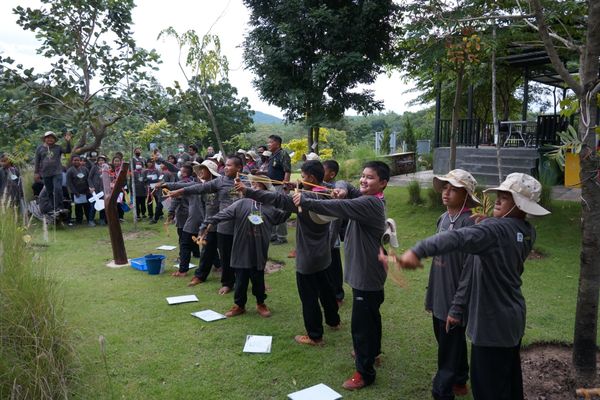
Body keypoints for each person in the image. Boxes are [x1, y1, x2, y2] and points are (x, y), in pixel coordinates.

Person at [395, 173, 550, 400]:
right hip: (512, 318)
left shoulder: (494, 232)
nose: (498, 199)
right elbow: (500, 236)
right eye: (500, 194)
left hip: (491, 324)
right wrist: (488, 223)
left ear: (520, 205)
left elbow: (456, 238)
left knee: (487, 389)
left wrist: (417, 251)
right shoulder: (526, 231)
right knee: (508, 381)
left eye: (506, 197)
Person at [292, 161, 390, 391]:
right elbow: (343, 185)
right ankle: (372, 352)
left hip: (366, 274)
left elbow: (337, 207)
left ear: (383, 183)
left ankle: (364, 372)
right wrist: (344, 187)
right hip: (369, 272)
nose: (364, 180)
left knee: (362, 324)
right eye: (363, 176)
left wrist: (304, 200)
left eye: (371, 178)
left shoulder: (369, 203)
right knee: (371, 316)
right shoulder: (369, 197)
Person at [240, 160, 341, 345]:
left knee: (309, 296)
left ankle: (315, 335)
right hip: (323, 254)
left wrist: (247, 190)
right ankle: (334, 321)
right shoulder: (328, 195)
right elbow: (316, 189)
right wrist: (297, 186)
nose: (301, 179)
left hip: (308, 257)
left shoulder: (303, 201)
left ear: (311, 177)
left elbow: (275, 199)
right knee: (326, 289)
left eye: (303, 176)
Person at [426, 169, 481, 400]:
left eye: (453, 189)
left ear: (466, 195)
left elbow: (470, 270)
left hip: (456, 297)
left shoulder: (472, 224)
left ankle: (443, 391)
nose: (446, 193)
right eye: (445, 188)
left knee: (448, 347)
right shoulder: (443, 218)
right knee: (446, 338)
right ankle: (460, 379)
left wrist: (458, 305)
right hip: (439, 291)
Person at [206, 175, 291, 318]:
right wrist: (211, 221)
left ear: (265, 188)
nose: (254, 187)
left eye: (258, 185)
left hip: (259, 248)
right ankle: (239, 305)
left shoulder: (270, 207)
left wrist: (289, 199)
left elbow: (282, 216)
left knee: (258, 277)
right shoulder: (241, 203)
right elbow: (224, 213)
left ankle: (260, 303)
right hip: (241, 246)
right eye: (252, 184)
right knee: (240, 279)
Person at [167, 155, 243, 295]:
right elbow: (198, 188)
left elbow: (260, 195)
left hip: (241, 225)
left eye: (230, 165)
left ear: (239, 167)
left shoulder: (246, 182)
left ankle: (249, 281)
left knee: (241, 255)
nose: (226, 167)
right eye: (225, 165)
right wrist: (178, 191)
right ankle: (225, 282)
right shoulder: (220, 182)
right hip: (222, 224)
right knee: (221, 254)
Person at [188, 160, 222, 286]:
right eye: (200, 169)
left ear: (211, 172)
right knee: (207, 251)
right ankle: (200, 276)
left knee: (226, 251)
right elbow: (205, 208)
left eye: (204, 169)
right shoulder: (203, 188)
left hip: (223, 224)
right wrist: (203, 225)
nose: (201, 172)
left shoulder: (220, 186)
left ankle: (229, 279)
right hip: (209, 224)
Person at [165, 164, 202, 277]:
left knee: (184, 240)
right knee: (197, 239)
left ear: (184, 173)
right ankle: (198, 255)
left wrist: (171, 212)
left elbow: (176, 199)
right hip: (196, 215)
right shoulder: (195, 182)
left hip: (186, 215)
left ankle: (183, 266)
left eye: (181, 171)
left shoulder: (190, 184)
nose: (180, 173)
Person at [322, 159, 345, 305]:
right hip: (322, 235)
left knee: (334, 266)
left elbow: (337, 219)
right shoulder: (320, 187)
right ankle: (328, 292)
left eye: (322, 171)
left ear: (332, 174)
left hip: (332, 236)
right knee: (324, 266)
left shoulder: (335, 189)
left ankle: (338, 294)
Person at [34, 131, 72, 211]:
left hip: (57, 172)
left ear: (55, 139)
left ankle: (59, 207)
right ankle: (53, 207)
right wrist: (36, 173)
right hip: (45, 173)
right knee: (49, 191)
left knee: (58, 189)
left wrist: (68, 142)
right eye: (48, 138)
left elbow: (68, 152)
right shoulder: (40, 148)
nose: (50, 139)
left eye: (52, 138)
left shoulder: (58, 147)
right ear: (45, 139)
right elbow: (37, 161)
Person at [266, 135, 291, 244]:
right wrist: (260, 173)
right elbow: (273, 171)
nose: (268, 144)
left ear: (277, 143)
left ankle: (282, 237)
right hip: (272, 186)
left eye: (270, 142)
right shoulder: (272, 155)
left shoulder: (283, 154)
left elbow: (287, 170)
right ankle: (273, 235)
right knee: (272, 210)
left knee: (281, 211)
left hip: (280, 186)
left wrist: (285, 186)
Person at [66, 155, 92, 225]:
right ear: (72, 161)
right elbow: (69, 183)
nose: (76, 161)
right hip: (76, 193)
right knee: (78, 207)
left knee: (87, 206)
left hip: (86, 192)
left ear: (80, 161)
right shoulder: (70, 171)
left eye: (78, 160)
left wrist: (89, 189)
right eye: (75, 160)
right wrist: (75, 192)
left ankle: (89, 219)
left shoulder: (85, 169)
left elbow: (88, 179)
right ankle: (79, 220)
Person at [88, 154, 108, 225]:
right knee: (93, 206)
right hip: (94, 190)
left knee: (102, 205)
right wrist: (91, 186)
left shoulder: (106, 168)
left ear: (105, 161)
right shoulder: (94, 167)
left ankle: (102, 219)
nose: (101, 161)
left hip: (103, 190)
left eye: (102, 160)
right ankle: (91, 220)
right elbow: (89, 178)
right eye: (99, 160)